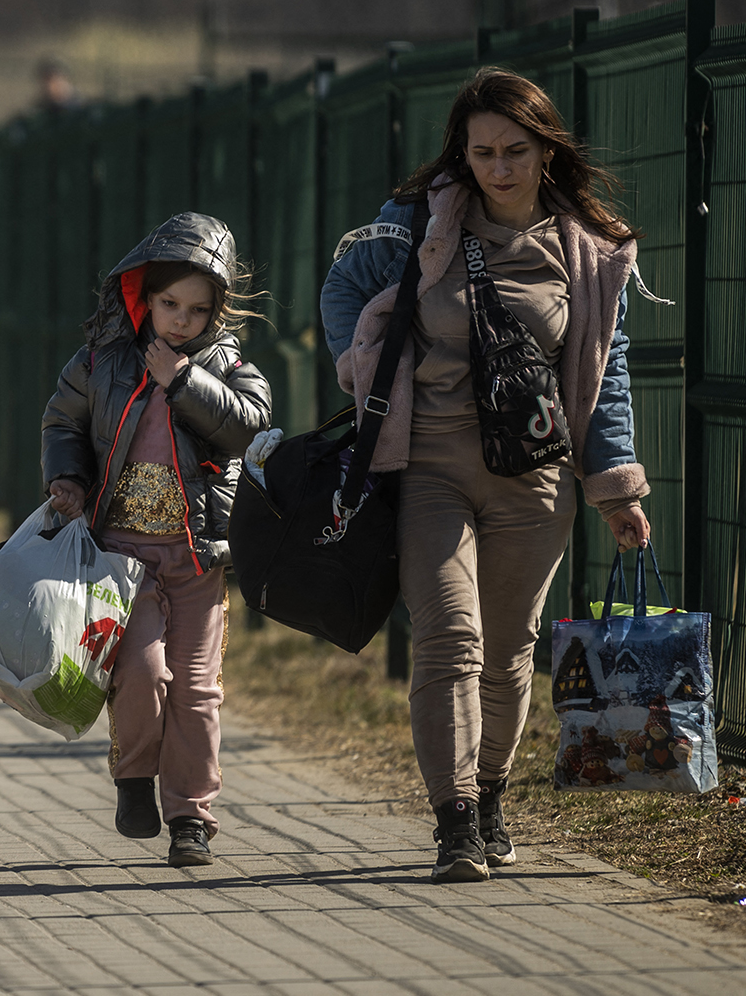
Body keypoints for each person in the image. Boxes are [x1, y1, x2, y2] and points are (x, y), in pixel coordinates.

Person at [320, 67, 653, 885]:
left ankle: (493, 792)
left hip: (533, 481)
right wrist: (359, 365)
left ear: (546, 150)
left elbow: (605, 376)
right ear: (461, 156)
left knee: (508, 653)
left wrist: (615, 490)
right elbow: (343, 288)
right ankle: (455, 820)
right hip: (427, 466)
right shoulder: (414, 221)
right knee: (448, 638)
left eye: (515, 151)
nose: (498, 168)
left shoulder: (588, 250)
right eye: (481, 153)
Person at [42, 212, 272, 869]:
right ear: (142, 295)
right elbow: (63, 418)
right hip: (121, 561)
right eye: (169, 304)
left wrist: (185, 380)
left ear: (216, 312)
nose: (180, 320)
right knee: (141, 675)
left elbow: (249, 425)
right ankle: (133, 775)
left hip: (198, 562)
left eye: (197, 311)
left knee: (197, 692)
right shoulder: (102, 361)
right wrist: (66, 478)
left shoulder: (226, 365)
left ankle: (192, 817)